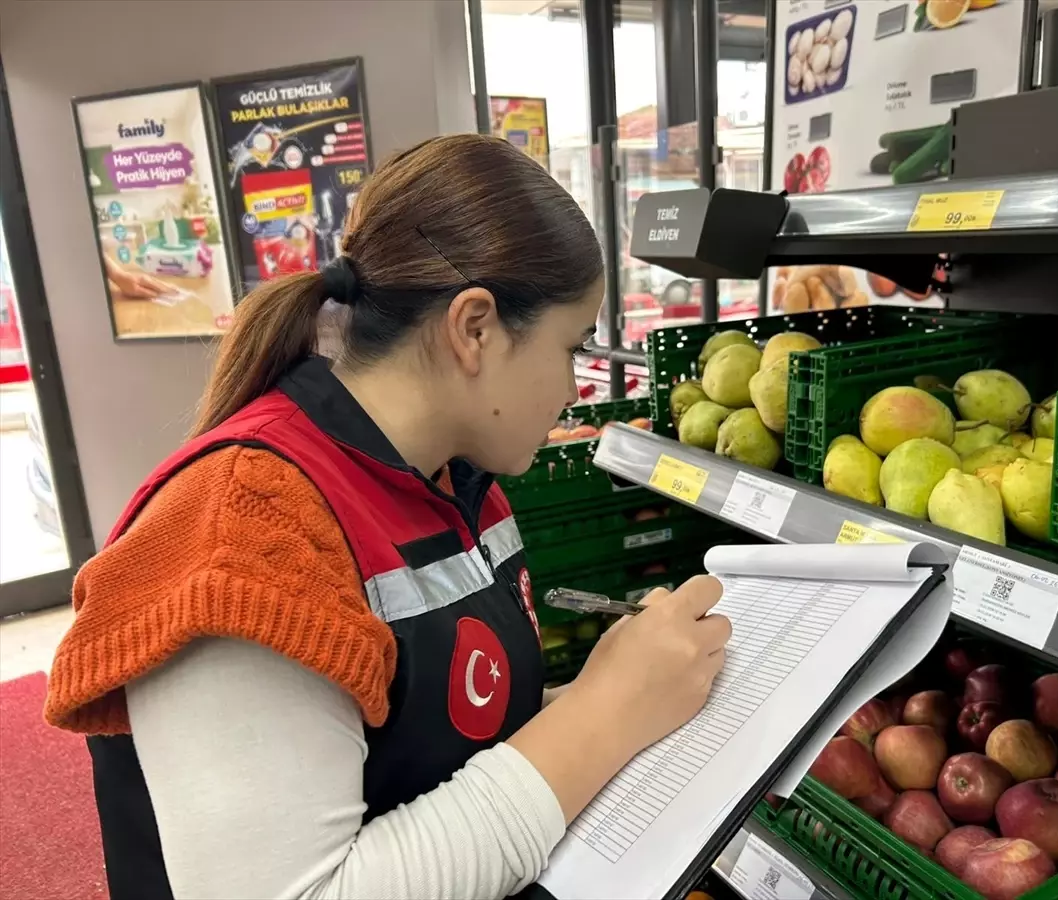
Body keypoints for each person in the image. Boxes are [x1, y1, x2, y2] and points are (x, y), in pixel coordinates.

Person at [45, 134, 731, 900]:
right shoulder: (244, 536)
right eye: (570, 346)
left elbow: (434, 743)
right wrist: (602, 716)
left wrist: (632, 691)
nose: (572, 388)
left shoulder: (462, 482)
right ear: (475, 328)